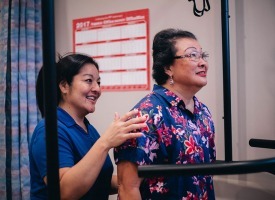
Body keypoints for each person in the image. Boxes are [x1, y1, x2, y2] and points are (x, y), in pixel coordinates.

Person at [114, 28, 216, 200]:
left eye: (202, 55)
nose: (203, 63)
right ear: (168, 67)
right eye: (192, 55)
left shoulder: (203, 112)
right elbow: (127, 188)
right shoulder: (146, 114)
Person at [29, 53, 147, 200]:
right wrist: (106, 142)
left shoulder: (88, 129)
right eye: (89, 81)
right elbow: (65, 191)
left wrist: (137, 179)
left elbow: (98, 180)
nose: (97, 89)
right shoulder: (48, 131)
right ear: (64, 86)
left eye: (98, 82)